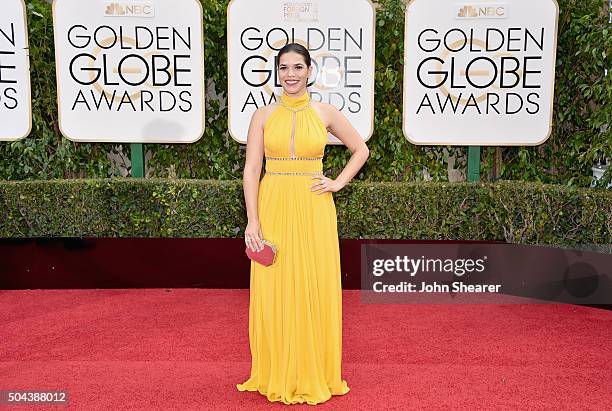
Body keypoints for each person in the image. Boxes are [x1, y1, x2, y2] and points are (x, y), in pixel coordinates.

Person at [237, 42, 369, 405]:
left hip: (314, 207)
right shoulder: (262, 115)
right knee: (275, 284)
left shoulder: (325, 112)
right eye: (284, 68)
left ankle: (314, 370)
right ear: (276, 72)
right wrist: (252, 219)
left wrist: (337, 182)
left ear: (310, 71)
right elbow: (251, 169)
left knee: (312, 284)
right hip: (274, 201)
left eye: (297, 67)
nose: (290, 75)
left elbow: (361, 149)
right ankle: (277, 370)